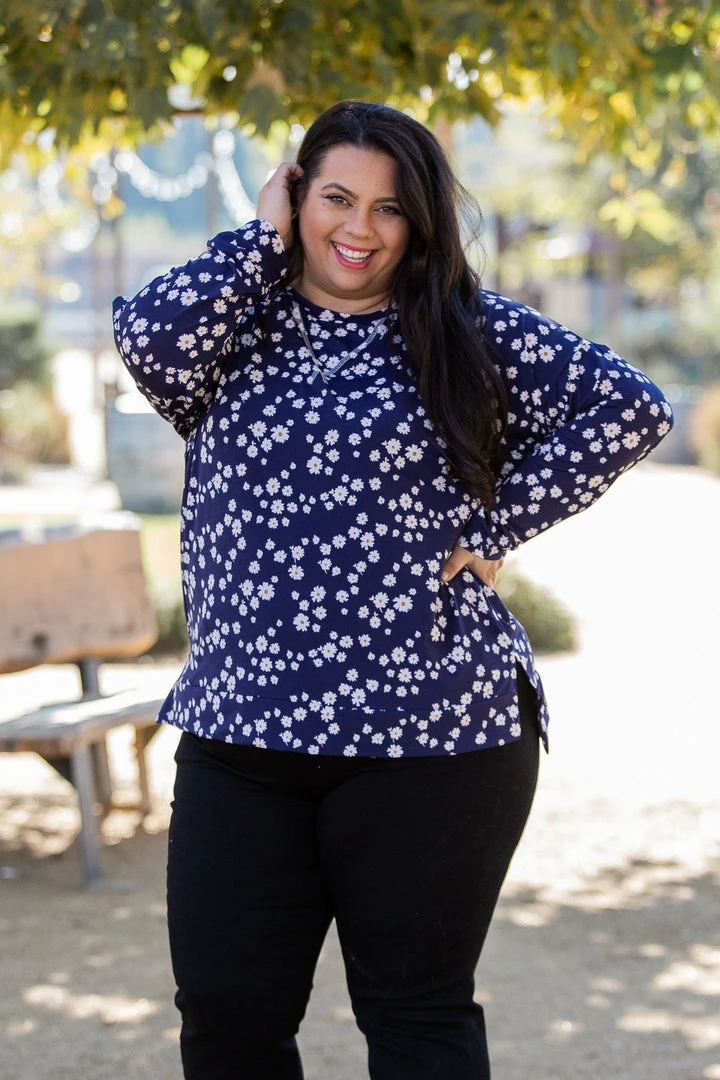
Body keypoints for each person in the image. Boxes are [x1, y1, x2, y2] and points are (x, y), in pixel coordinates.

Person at [113, 100, 672, 1079]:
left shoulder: (465, 329)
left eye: (389, 207)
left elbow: (629, 408)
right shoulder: (232, 324)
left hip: (433, 737)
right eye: (335, 198)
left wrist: (496, 524)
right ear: (295, 196)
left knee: (416, 1018)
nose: (360, 229)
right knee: (227, 1019)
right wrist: (258, 239)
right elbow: (146, 339)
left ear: (420, 222)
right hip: (243, 734)